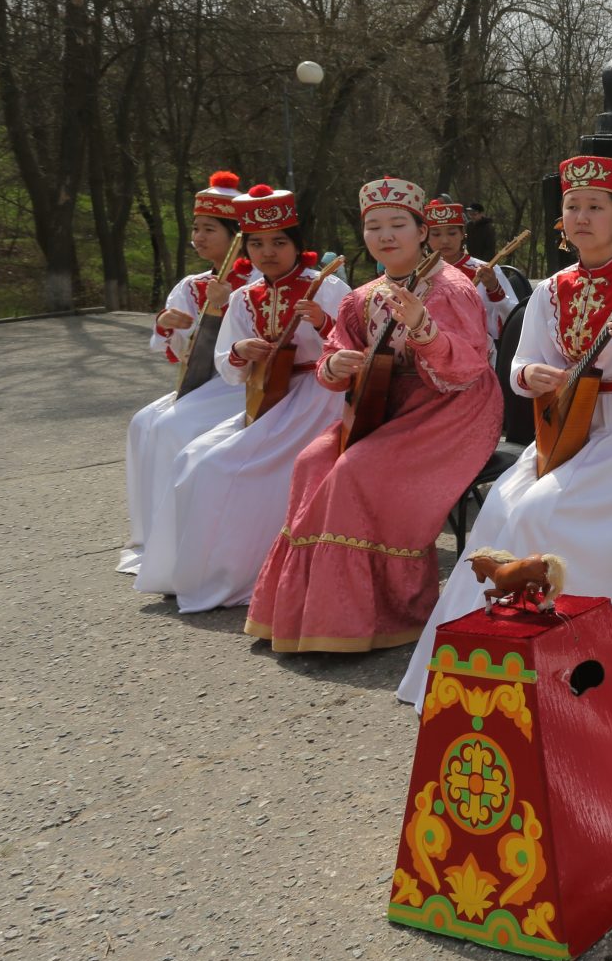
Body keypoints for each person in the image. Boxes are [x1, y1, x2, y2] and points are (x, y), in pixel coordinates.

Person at [393, 155, 612, 701]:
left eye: (595, 207)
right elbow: (519, 365)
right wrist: (532, 372)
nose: (581, 216)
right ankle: (476, 663)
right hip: (564, 426)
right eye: (573, 207)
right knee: (501, 507)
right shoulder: (552, 287)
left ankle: (573, 660)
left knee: (541, 509)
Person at [244, 176, 501, 653]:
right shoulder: (361, 297)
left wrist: (425, 330)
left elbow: (469, 368)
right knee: (311, 463)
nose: (386, 235)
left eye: (398, 225)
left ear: (421, 231)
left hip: (453, 409)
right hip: (383, 406)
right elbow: (334, 355)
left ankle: (384, 614)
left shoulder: (452, 289)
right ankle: (306, 614)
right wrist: (336, 365)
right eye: (375, 226)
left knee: (354, 470)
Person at [138, 186, 350, 609]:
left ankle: (242, 574)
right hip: (267, 397)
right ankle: (186, 571)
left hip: (320, 396)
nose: (267, 252)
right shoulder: (242, 297)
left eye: (278, 242)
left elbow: (358, 345)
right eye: (256, 244)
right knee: (193, 459)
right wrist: (239, 351)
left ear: (297, 245)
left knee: (225, 468)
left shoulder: (327, 287)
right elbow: (226, 367)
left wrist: (326, 323)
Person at [118, 171, 257, 579]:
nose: (197, 236)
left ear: (235, 234)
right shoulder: (191, 285)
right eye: (195, 228)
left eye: (208, 229)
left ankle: (182, 540)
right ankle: (152, 537)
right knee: (143, 423)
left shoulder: (255, 282)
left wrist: (226, 304)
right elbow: (181, 357)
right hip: (205, 383)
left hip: (242, 381)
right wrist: (167, 323)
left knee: (174, 427)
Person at [424, 196, 516, 343]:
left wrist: (495, 290)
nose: (445, 241)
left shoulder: (488, 270)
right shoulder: (420, 275)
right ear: (426, 237)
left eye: (452, 233)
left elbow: (515, 318)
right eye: (436, 234)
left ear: (462, 234)